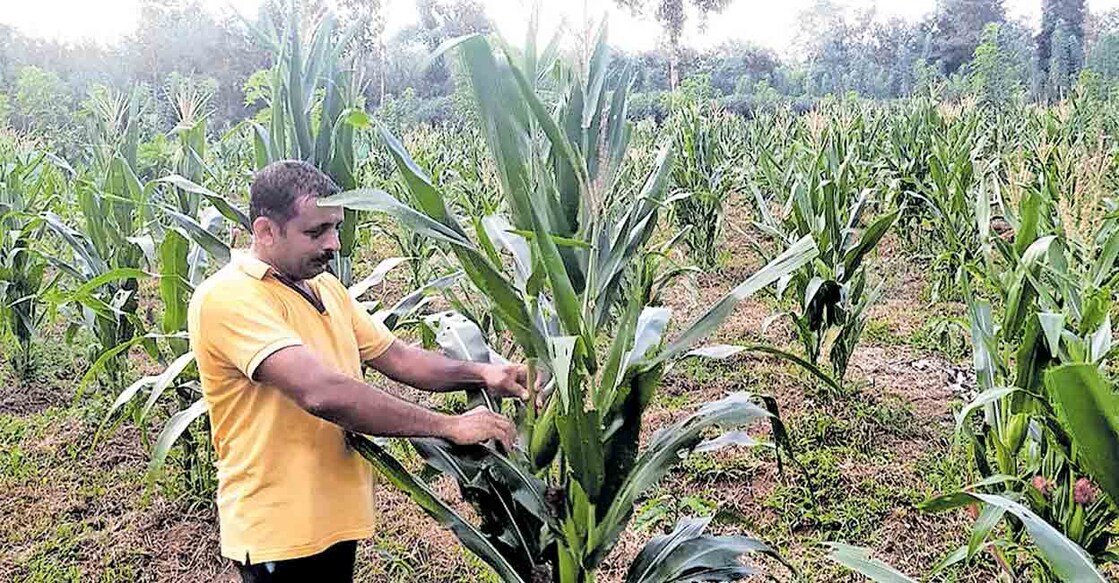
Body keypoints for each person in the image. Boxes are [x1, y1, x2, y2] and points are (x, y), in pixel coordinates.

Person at [187, 160, 527, 583]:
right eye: (316, 232)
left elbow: (398, 358)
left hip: (333, 517)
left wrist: (483, 374)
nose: (335, 245)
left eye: (335, 228)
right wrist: (448, 425)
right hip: (278, 527)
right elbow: (322, 393)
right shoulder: (228, 297)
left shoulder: (324, 286)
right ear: (265, 231)